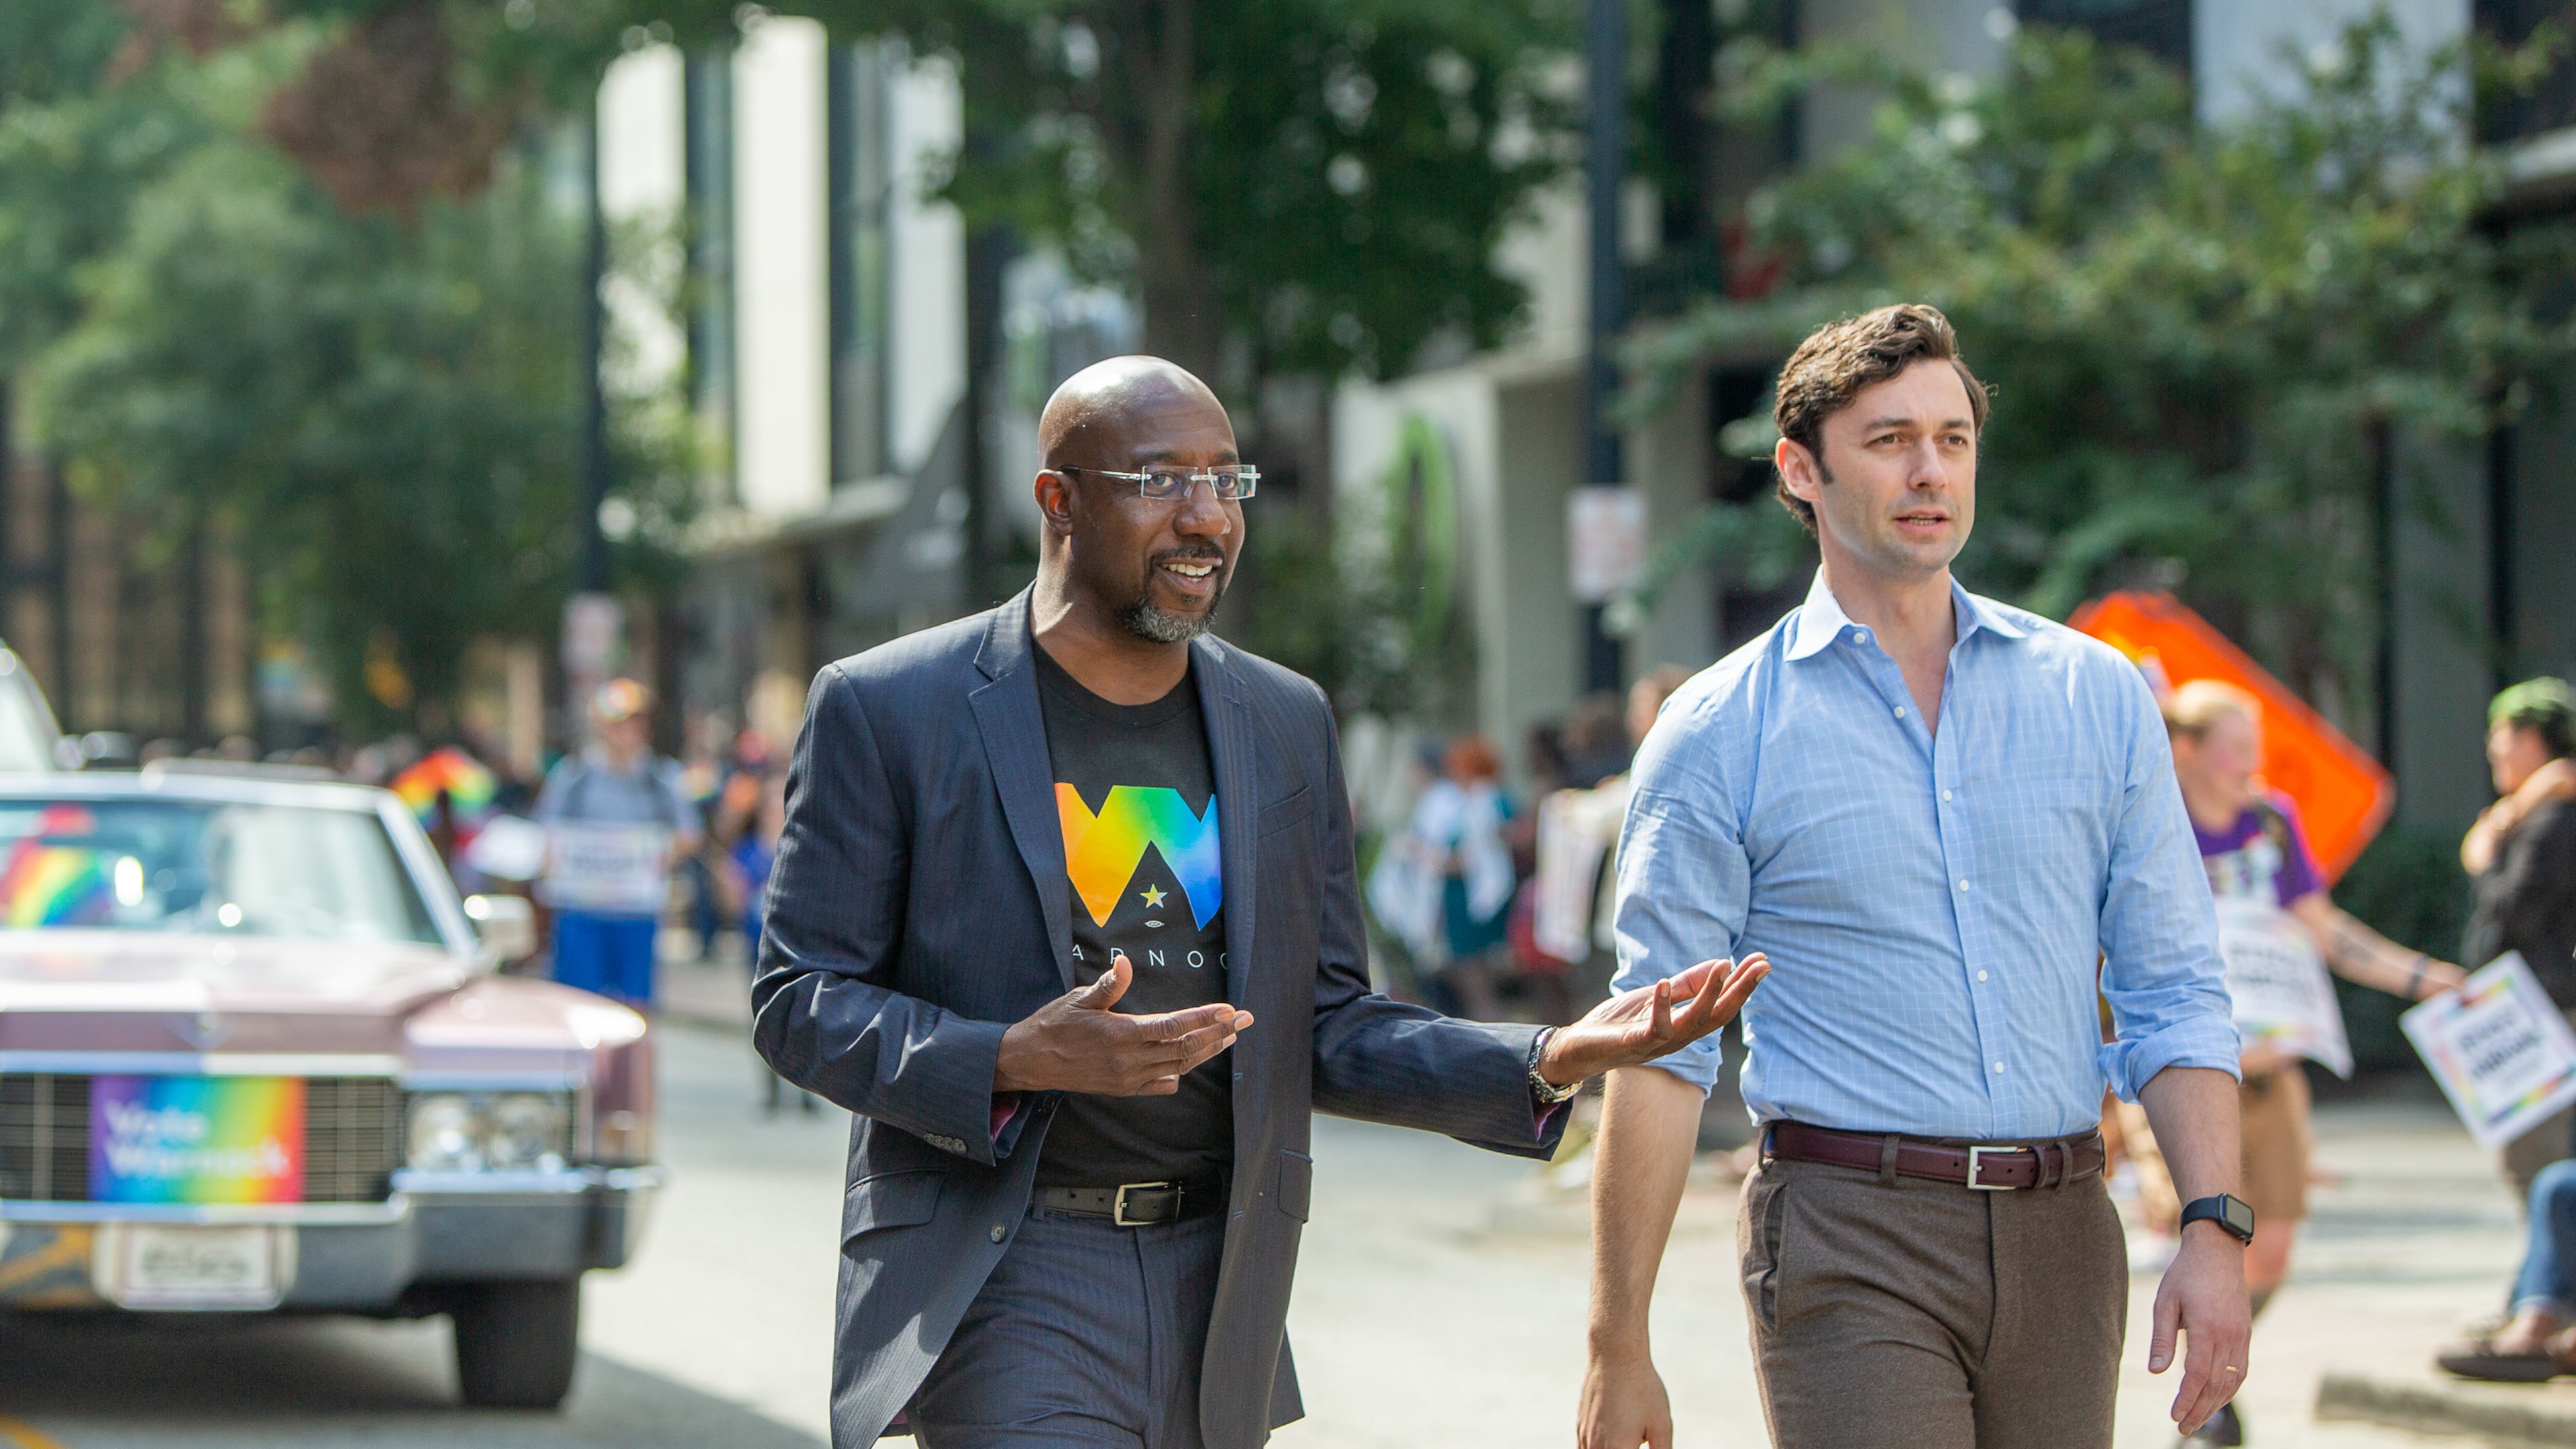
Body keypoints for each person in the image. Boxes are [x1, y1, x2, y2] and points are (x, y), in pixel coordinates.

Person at [747, 355, 1770, 1449]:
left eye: (1227, 482)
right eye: (1158, 481)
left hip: (1221, 1279)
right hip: (1007, 1268)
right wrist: (1011, 1056)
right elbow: (798, 998)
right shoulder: (891, 707)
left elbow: (1325, 1022)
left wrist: (1550, 1055)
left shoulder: (1283, 721)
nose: (1205, 518)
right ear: (1058, 499)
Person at [1578, 305, 2251, 1449]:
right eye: (1890, 440)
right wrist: (1616, 1342)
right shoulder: (1718, 731)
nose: (1930, 469)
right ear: (1802, 470)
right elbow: (1661, 1051)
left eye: (1953, 438)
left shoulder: (2095, 697)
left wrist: (2214, 1228)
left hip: (2063, 1229)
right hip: (1848, 1228)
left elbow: (2174, 988)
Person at [2163, 678, 2463, 1444]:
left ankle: (2217, 1370)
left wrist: (2429, 981)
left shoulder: (2271, 825)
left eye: (2257, 751)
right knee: (2206, 1237)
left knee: (2274, 1249)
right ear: (2188, 750)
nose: (2251, 767)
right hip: (2187, 1075)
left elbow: (2327, 931)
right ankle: (2209, 1399)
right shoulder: (2153, 821)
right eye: (2237, 750)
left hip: (2272, 1071)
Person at [2460, 680, 2576, 1199]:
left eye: (2500, 735)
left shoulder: (2554, 818)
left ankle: (2550, 1277)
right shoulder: (2542, 807)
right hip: (2539, 1009)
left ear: (2531, 739)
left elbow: (2512, 913)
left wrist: (2486, 857)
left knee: (2542, 1167)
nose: (2492, 749)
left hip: (2544, 1013)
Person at [533, 679, 701, 1010]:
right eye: (616, 723)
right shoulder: (574, 777)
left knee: (635, 1009)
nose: (624, 732)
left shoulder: (661, 779)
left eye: (633, 723)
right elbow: (546, 835)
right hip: (582, 913)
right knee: (577, 1005)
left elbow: (690, 835)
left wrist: (659, 856)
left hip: (636, 913)